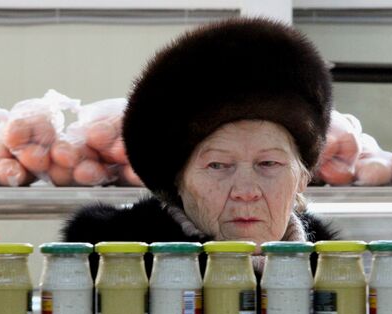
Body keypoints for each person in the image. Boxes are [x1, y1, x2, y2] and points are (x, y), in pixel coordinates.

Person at [62, 17, 338, 278]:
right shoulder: (110, 274)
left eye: (268, 164)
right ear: (177, 181)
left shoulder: (336, 278)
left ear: (302, 178)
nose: (246, 192)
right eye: (218, 165)